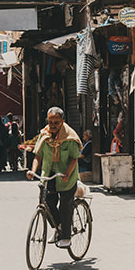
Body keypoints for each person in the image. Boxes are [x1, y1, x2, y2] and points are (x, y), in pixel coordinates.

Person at [27, 106, 81, 248]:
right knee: (46, 203)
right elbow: (38, 156)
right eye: (50, 122)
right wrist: (32, 171)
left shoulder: (70, 137)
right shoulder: (44, 135)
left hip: (65, 176)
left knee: (65, 206)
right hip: (48, 175)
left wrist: (67, 174)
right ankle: (58, 226)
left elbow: (74, 158)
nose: (52, 126)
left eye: (56, 123)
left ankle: (66, 236)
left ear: (62, 122)